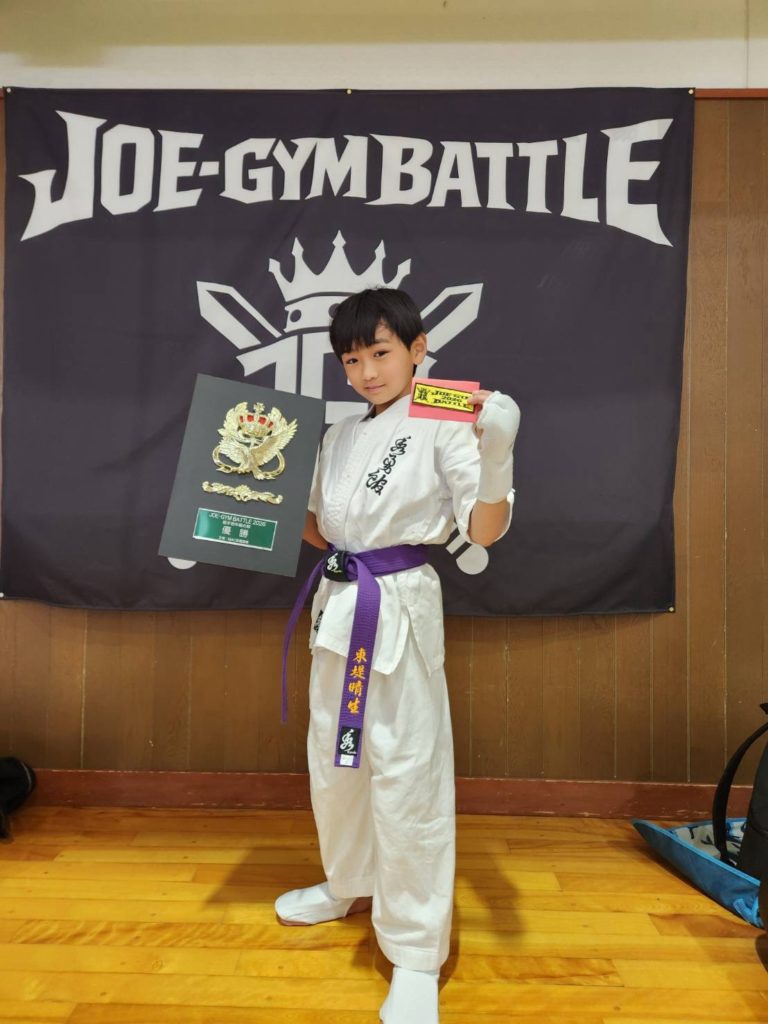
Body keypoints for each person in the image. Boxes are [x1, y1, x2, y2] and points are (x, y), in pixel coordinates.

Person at [276, 287, 520, 1024]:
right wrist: (258, 496)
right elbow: (325, 530)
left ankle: (415, 951)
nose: (367, 372)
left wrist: (498, 453)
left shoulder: (446, 414)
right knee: (335, 760)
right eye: (352, 360)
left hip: (400, 607)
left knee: (407, 772)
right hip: (339, 605)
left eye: (380, 353)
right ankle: (349, 881)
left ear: (417, 349)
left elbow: (483, 529)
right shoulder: (339, 434)